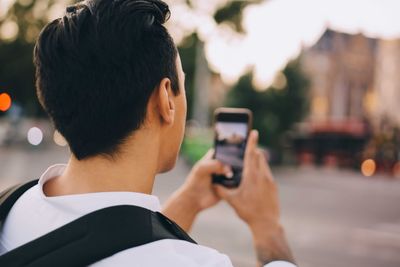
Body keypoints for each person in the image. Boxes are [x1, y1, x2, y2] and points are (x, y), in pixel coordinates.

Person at [0, 0, 296, 266]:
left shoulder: (10, 208)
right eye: (181, 82)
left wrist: (190, 200)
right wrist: (266, 225)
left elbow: (107, 241)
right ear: (166, 99)